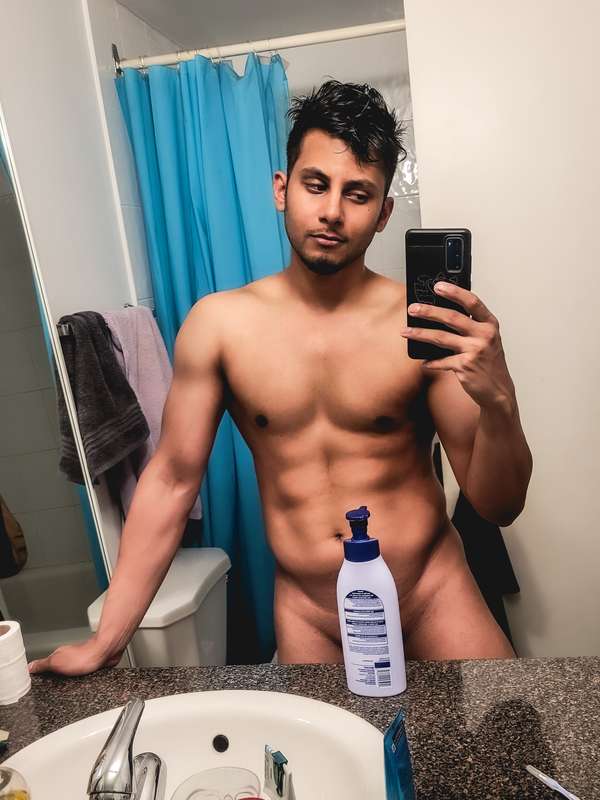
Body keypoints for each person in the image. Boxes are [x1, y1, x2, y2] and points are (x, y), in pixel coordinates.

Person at [29, 81, 532, 675]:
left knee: (508, 733)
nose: (332, 211)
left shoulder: (421, 323)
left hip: (429, 592)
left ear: (383, 214)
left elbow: (498, 504)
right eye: (316, 184)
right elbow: (170, 482)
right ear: (282, 188)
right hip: (313, 612)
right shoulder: (220, 326)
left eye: (358, 194)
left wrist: (500, 401)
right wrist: (107, 641)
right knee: (320, 743)